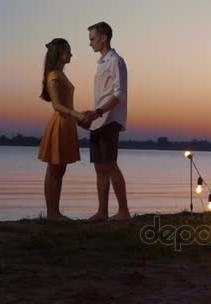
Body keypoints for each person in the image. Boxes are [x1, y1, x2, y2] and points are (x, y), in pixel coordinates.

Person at [38, 38, 95, 222]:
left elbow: (66, 104)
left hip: (67, 123)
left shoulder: (60, 75)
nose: (71, 54)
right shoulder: (54, 75)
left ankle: (55, 213)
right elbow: (57, 105)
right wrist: (76, 114)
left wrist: (78, 118)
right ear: (60, 54)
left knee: (59, 170)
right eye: (68, 51)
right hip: (60, 124)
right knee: (54, 169)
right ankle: (52, 214)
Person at [83, 22, 131, 222]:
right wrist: (93, 114)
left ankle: (123, 212)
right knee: (99, 167)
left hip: (110, 120)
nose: (90, 43)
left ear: (104, 38)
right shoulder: (101, 63)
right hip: (98, 120)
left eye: (92, 39)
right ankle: (102, 211)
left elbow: (119, 94)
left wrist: (99, 111)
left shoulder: (116, 61)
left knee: (110, 164)